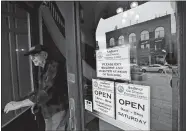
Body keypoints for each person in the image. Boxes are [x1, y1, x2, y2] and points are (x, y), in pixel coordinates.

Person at [4, 45, 69, 131]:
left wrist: (19, 104)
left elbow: (46, 92)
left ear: (45, 55)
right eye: (31, 56)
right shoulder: (42, 68)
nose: (32, 58)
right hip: (47, 112)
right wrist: (18, 101)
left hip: (58, 111)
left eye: (35, 55)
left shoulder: (54, 66)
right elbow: (38, 91)